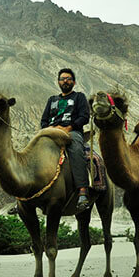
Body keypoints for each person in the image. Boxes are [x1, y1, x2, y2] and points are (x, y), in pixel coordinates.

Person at [40, 68, 91, 210]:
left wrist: (68, 128)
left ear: (74, 82)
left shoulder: (79, 97)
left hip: (71, 132)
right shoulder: (52, 100)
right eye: (62, 79)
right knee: (32, 151)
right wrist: (48, 130)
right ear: (58, 82)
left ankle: (82, 191)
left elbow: (84, 117)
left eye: (68, 78)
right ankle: (23, 195)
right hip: (51, 132)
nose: (65, 81)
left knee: (76, 150)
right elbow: (44, 120)